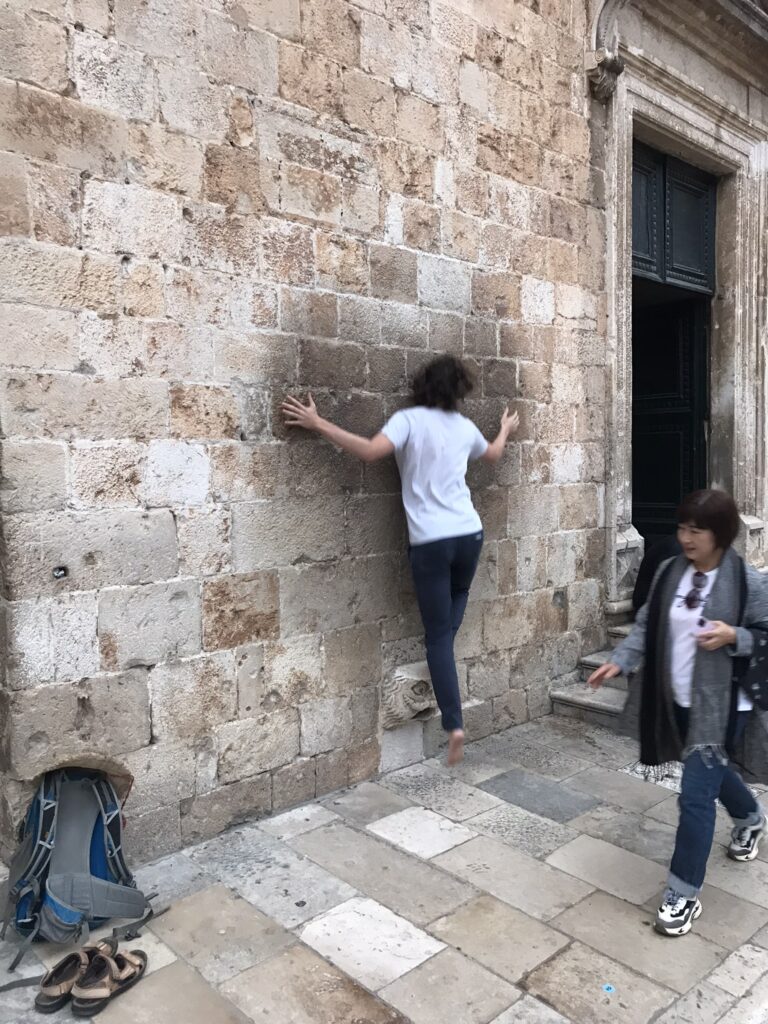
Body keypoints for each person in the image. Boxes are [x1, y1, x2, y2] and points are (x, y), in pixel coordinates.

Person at [282, 355, 519, 766]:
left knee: (438, 638)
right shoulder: (464, 428)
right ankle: (444, 674)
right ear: (459, 390)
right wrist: (505, 429)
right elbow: (494, 454)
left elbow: (371, 451)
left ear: (422, 385)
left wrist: (318, 423)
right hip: (469, 534)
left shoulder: (408, 420)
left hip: (431, 542)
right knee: (454, 607)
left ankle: (455, 723)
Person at [589, 489, 768, 937]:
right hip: (678, 697)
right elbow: (648, 623)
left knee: (694, 796)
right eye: (682, 527)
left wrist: (735, 637)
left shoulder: (748, 582)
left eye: (696, 530)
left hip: (722, 704)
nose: (685, 538)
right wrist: (622, 659)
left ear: (721, 534)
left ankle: (683, 893)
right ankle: (750, 817)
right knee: (707, 770)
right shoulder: (672, 570)